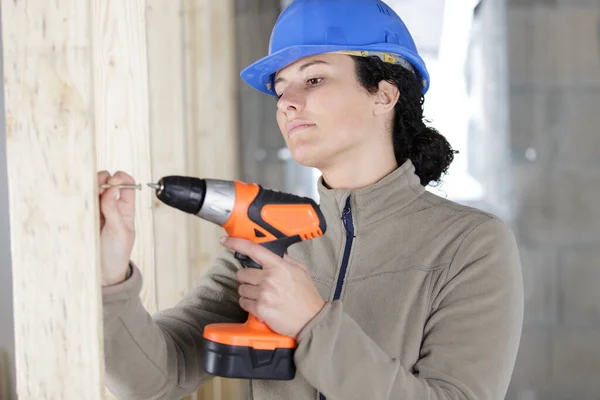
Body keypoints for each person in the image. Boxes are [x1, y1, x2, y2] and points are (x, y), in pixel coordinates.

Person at [99, 0, 524, 399]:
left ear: (384, 94)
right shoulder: (268, 240)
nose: (287, 103)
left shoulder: (470, 245)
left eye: (314, 78)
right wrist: (112, 278)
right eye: (280, 89)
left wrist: (312, 324)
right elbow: (156, 376)